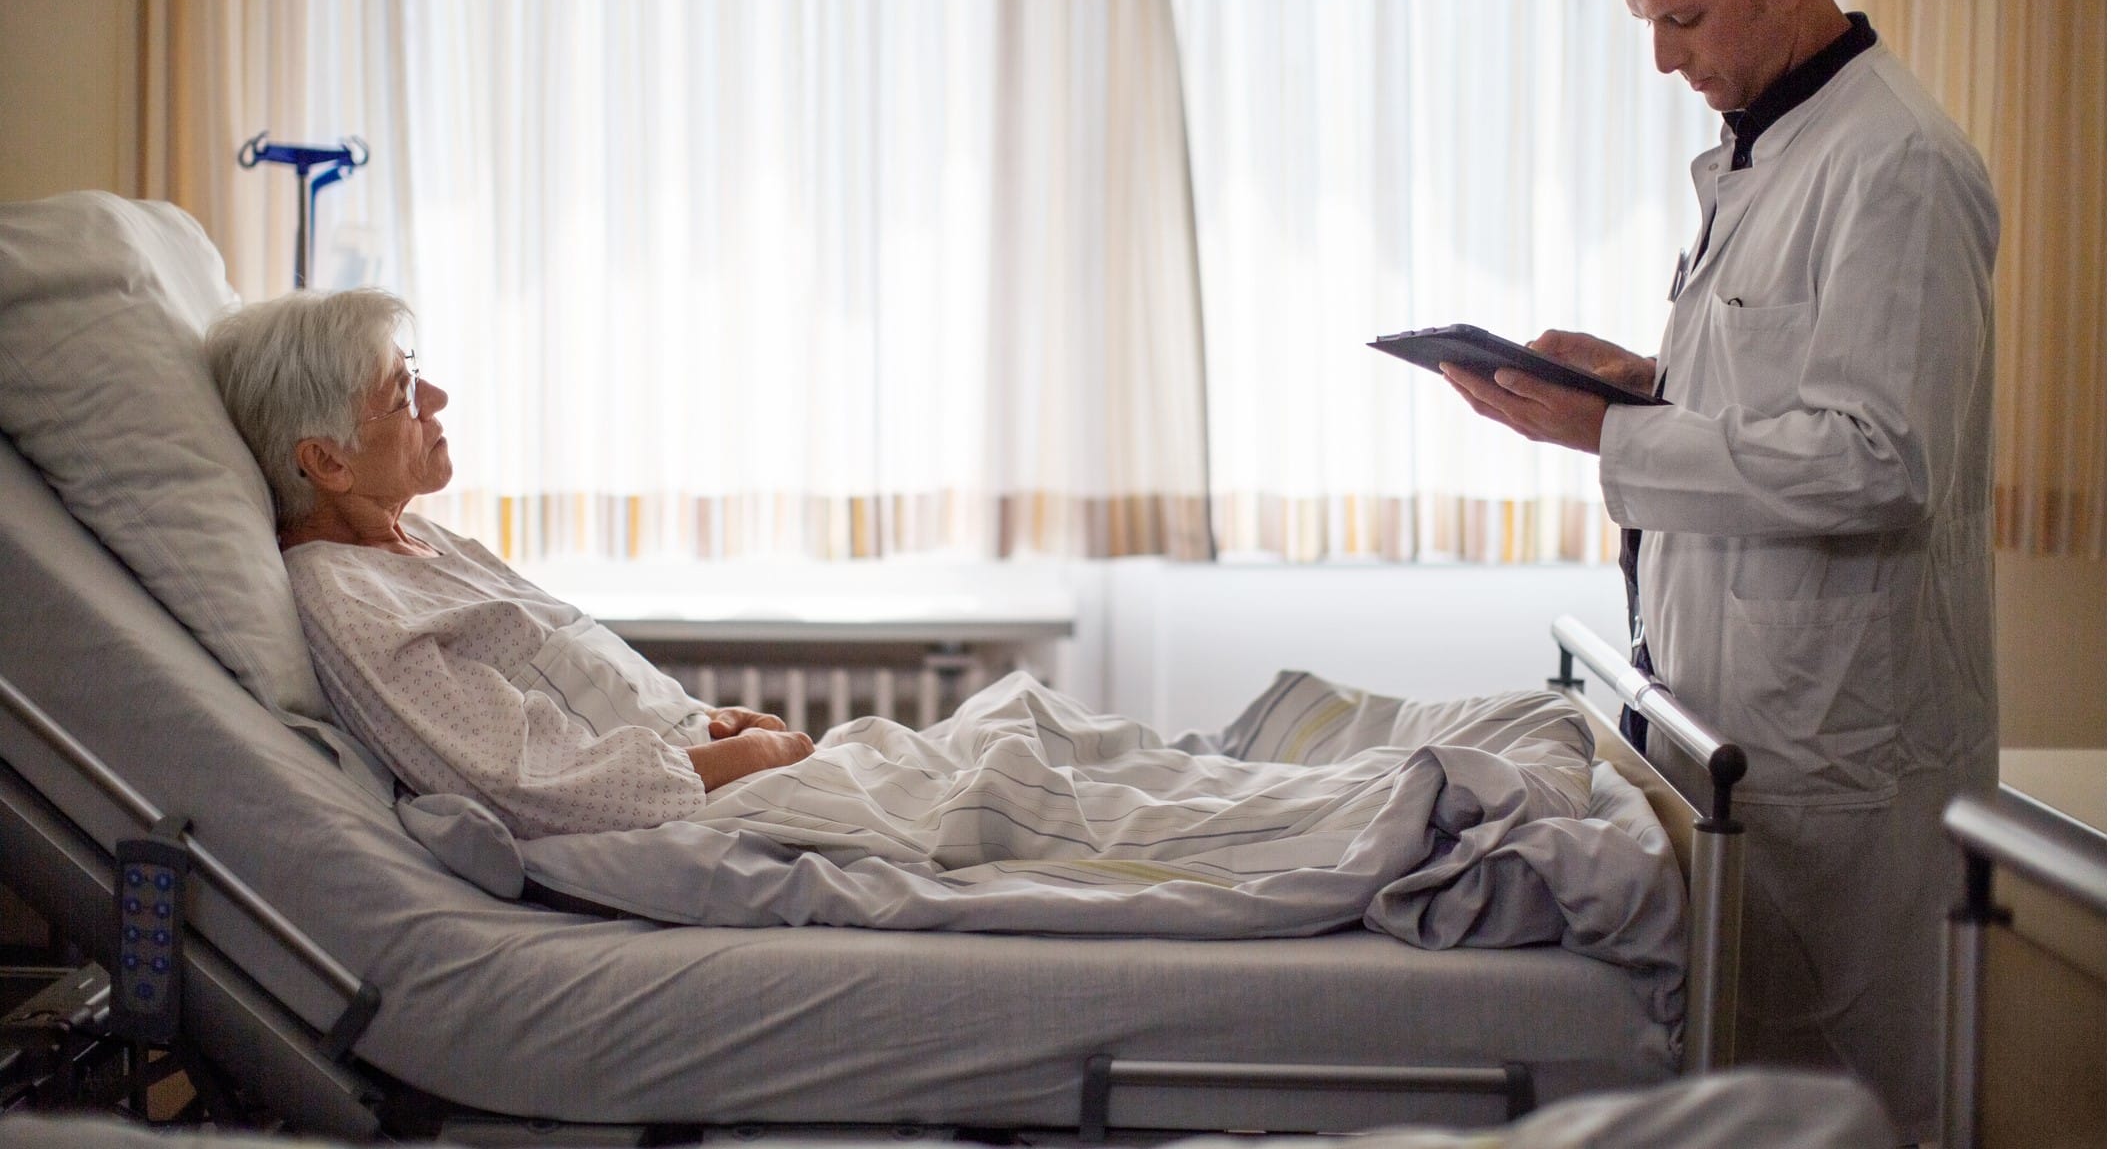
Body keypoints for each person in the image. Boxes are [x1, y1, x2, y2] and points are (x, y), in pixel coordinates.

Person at [202, 287, 1598, 881]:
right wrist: (727, 770)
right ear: (321, 454)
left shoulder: (416, 547)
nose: (436, 395)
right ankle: (1427, 802)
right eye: (402, 388)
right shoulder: (346, 595)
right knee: (1033, 784)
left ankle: (1406, 771)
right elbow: (525, 786)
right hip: (697, 825)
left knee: (1050, 740)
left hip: (727, 777)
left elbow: (570, 716)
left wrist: (720, 739)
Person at [1440, 0, 1997, 1141]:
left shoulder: (1894, 168)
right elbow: (1776, 401)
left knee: (1850, 1105)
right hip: (1740, 725)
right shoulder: (1779, 149)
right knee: (1757, 1094)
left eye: (1683, 16)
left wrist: (1613, 440)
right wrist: (1636, 382)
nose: (1664, 57)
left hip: (1838, 745)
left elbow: (1880, 459)